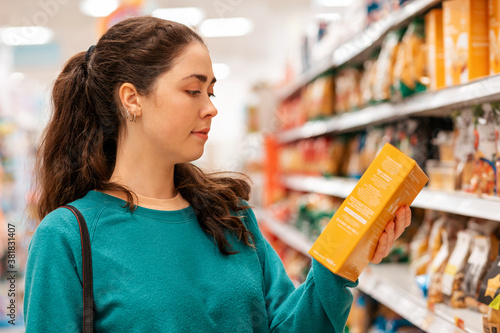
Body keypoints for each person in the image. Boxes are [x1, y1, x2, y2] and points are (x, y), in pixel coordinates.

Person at [23, 16, 411, 332]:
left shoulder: (229, 215)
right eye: (193, 91)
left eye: (212, 92)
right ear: (132, 99)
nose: (211, 108)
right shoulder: (67, 237)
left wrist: (343, 263)